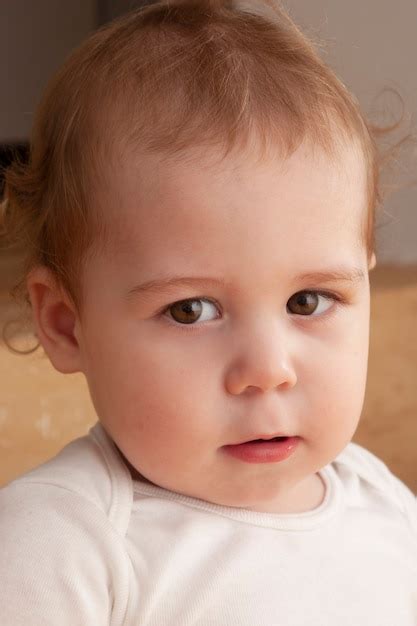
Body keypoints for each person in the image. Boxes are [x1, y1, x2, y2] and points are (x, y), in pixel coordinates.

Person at [0, 0, 416, 624]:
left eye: (308, 301)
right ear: (65, 323)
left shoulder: (379, 497)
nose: (268, 369)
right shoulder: (61, 543)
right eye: (191, 310)